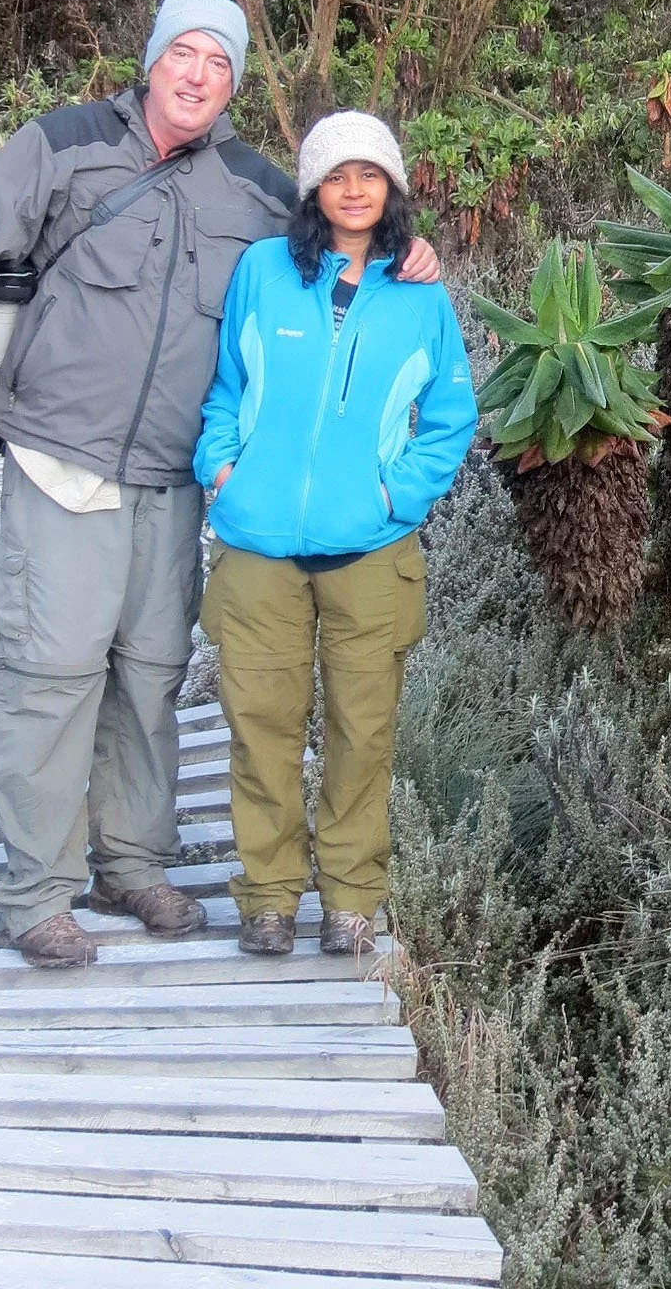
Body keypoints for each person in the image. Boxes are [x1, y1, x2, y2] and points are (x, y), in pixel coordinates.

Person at [0, 0, 441, 968]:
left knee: (150, 672)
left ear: (233, 83)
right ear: (151, 59)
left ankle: (131, 862)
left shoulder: (253, 186)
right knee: (51, 669)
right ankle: (36, 893)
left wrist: (409, 249)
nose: (198, 75)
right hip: (61, 454)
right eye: (184, 53)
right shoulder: (63, 146)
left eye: (220, 63)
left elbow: (342, 228)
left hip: (172, 477)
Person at [195, 111, 476, 958]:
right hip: (257, 547)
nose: (353, 190)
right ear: (312, 190)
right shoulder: (264, 270)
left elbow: (451, 417)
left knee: (363, 733)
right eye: (335, 175)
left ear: (392, 187)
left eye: (370, 174)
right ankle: (268, 897)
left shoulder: (421, 293)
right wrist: (221, 468)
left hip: (370, 552)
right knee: (262, 727)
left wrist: (397, 495)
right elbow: (225, 384)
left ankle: (350, 899)